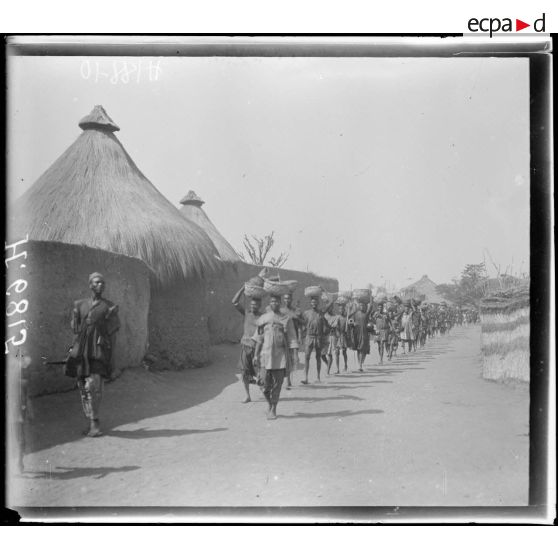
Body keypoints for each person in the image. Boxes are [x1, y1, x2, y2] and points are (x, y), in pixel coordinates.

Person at [65, 272, 120, 437]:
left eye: (103, 283)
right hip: (82, 350)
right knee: (83, 386)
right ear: (90, 285)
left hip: (98, 351)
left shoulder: (110, 307)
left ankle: (95, 423)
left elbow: (113, 335)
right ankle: (90, 419)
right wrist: (73, 349)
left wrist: (112, 358)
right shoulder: (80, 305)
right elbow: (76, 330)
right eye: (96, 283)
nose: (100, 285)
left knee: (94, 386)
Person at [253, 294, 298, 420]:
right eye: (272, 301)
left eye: (277, 302)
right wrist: (256, 355)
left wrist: (295, 355)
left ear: (280, 303)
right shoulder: (264, 318)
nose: (274, 303)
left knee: (277, 385)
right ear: (270, 303)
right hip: (265, 357)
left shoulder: (286, 318)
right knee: (263, 385)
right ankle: (269, 403)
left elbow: (292, 338)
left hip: (280, 358)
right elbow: (259, 338)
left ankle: (274, 409)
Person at [232, 283, 264, 403]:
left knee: (260, 372)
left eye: (255, 305)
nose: (253, 306)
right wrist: (242, 288)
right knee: (244, 372)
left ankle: (263, 391)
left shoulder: (263, 316)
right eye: (251, 304)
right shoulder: (246, 313)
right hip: (245, 347)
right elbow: (234, 301)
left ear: (260, 305)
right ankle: (247, 395)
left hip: (258, 348)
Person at [300, 295, 328, 384]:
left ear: (318, 303)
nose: (314, 304)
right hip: (309, 337)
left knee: (318, 357)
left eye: (315, 302)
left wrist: (324, 292)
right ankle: (306, 378)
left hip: (318, 337)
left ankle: (318, 377)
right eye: (312, 302)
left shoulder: (321, 313)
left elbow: (330, 303)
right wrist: (301, 336)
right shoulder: (306, 313)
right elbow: (301, 324)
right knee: (307, 357)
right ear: (310, 303)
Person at [281, 290, 303, 389]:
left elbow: (301, 324)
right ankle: (288, 381)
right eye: (285, 298)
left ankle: (290, 379)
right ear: (283, 299)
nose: (287, 300)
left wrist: (299, 336)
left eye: (288, 298)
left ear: (291, 299)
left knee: (295, 359)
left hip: (293, 336)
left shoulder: (295, 310)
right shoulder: (281, 310)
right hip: (283, 336)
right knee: (286, 360)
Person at [348, 298, 374, 371]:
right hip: (357, 334)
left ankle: (361, 363)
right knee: (359, 349)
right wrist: (353, 323)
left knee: (364, 349)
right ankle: (360, 364)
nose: (362, 307)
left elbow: (370, 307)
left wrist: (371, 298)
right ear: (359, 306)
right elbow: (350, 321)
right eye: (360, 305)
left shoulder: (366, 314)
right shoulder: (355, 314)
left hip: (365, 334)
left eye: (363, 305)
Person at [324, 297, 348, 374]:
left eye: (331, 308)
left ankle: (338, 369)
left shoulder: (336, 317)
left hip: (335, 337)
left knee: (337, 353)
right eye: (329, 308)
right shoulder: (325, 316)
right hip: (328, 337)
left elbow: (337, 325)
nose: (330, 309)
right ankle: (328, 370)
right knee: (329, 354)